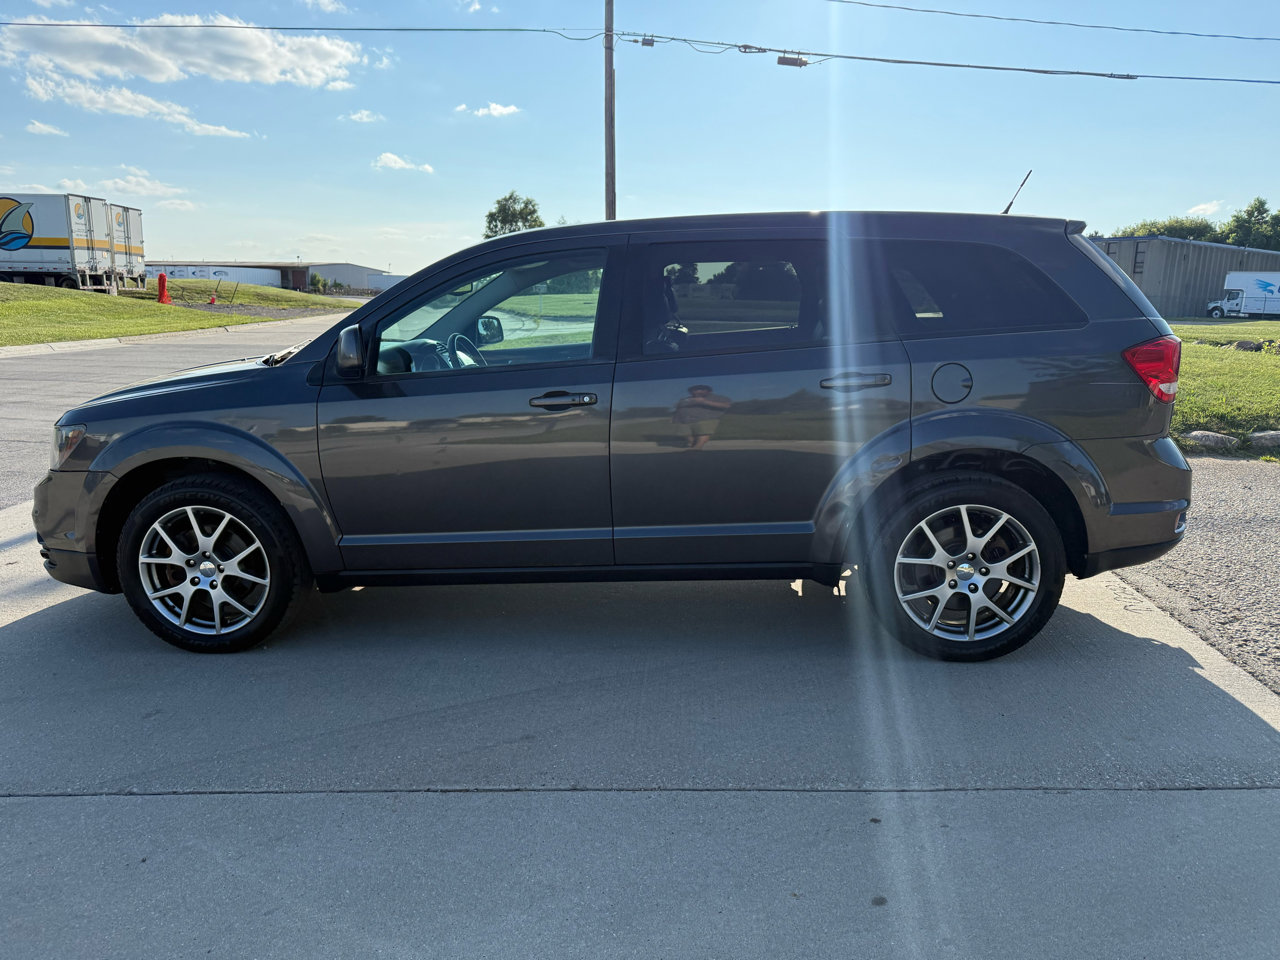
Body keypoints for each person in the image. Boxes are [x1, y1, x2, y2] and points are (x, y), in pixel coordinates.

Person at [672, 384, 731, 450]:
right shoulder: (686, 399)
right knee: (686, 434)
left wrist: (704, 402)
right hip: (683, 420)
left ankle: (698, 447)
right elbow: (678, 407)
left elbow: (726, 405)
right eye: (694, 390)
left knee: (703, 432)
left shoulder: (718, 397)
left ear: (709, 391)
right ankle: (692, 443)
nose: (697, 391)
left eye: (701, 389)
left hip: (707, 419)